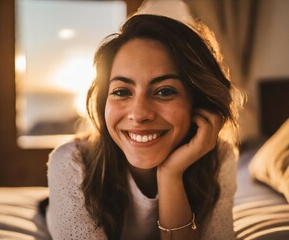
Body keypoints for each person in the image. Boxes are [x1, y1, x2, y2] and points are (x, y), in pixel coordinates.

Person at [45, 3, 243, 240]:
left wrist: (171, 175)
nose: (139, 114)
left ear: (197, 102)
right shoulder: (71, 162)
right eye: (121, 91)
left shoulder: (218, 157)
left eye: (164, 91)